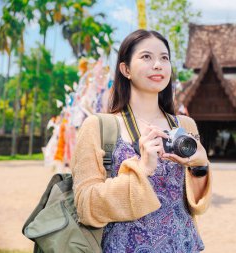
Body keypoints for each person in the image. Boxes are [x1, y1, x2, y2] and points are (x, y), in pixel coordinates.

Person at [71, 30, 212, 252]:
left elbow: (195, 203)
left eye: (164, 58)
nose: (158, 65)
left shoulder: (185, 126)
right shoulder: (99, 127)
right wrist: (141, 168)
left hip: (183, 245)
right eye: (146, 57)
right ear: (125, 69)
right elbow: (85, 205)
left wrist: (200, 166)